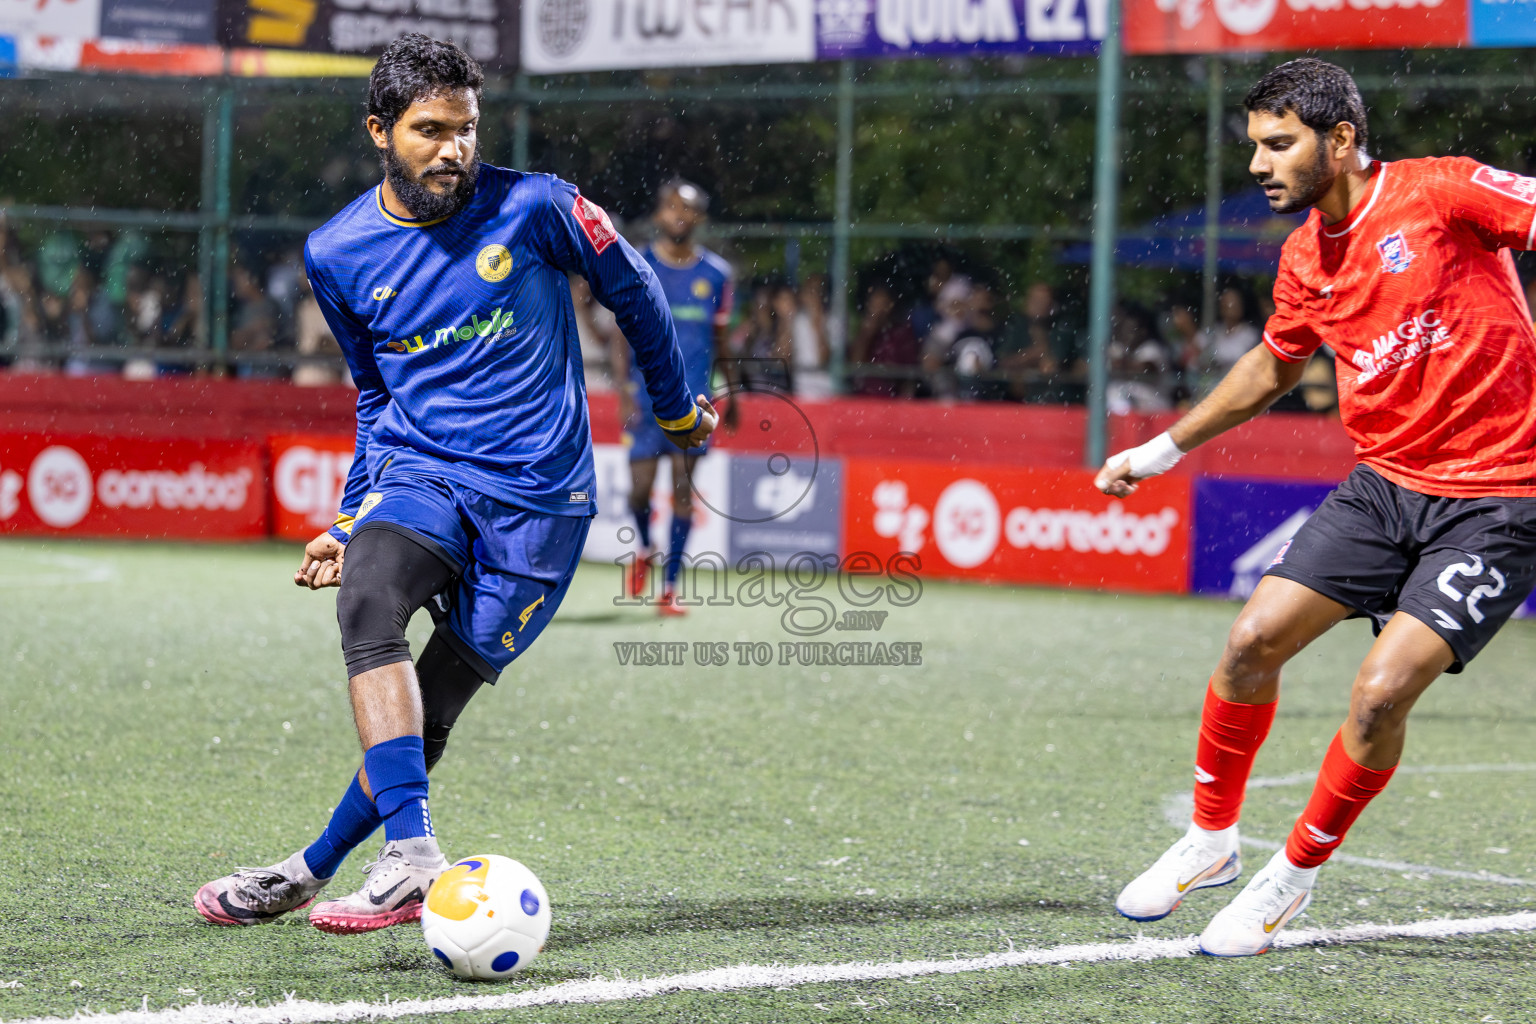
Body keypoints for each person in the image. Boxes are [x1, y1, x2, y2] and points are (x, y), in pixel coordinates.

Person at [194, 34, 715, 934]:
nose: (453, 149)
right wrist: (352, 515)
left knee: (428, 713)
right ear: (379, 131)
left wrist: (674, 413)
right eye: (429, 130)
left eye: (465, 128)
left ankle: (310, 868)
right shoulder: (336, 252)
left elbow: (634, 290)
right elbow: (375, 394)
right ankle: (413, 857)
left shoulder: (539, 206)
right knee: (367, 602)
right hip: (425, 474)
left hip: (539, 505)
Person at [1096, 58, 1536, 958]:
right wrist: (1160, 450)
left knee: (1378, 696)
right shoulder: (1304, 255)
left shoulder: (1442, 191)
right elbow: (1273, 365)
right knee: (1250, 642)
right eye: (1255, 146)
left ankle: (1290, 878)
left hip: (1500, 498)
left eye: (1278, 144)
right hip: (1384, 487)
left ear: (1340, 139)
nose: (1259, 164)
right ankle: (1212, 841)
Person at [609, 178, 734, 615]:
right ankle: (645, 548)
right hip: (644, 398)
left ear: (700, 217)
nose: (680, 215)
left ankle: (670, 588)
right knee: (639, 491)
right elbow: (621, 334)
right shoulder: (637, 263)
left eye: (689, 208)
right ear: (659, 213)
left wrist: (731, 391)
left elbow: (721, 339)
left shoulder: (717, 274)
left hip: (693, 402)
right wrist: (623, 389)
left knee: (684, 492)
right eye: (672, 207)